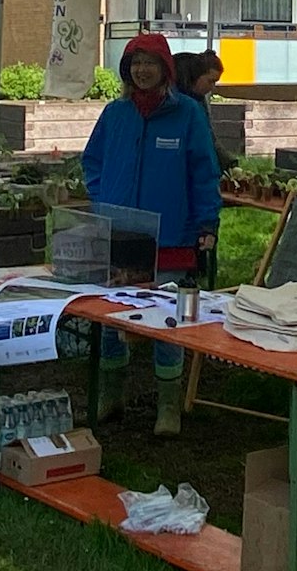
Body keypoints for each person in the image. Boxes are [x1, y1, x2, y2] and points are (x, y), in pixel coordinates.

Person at [81, 33, 222, 436]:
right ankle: (112, 396)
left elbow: (204, 172)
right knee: (111, 319)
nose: (142, 70)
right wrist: (102, 197)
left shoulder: (188, 115)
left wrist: (207, 222)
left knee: (168, 320)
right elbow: (91, 160)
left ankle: (168, 407)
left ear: (165, 69)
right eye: (135, 62)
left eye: (150, 62)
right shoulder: (115, 114)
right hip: (121, 236)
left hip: (172, 235)